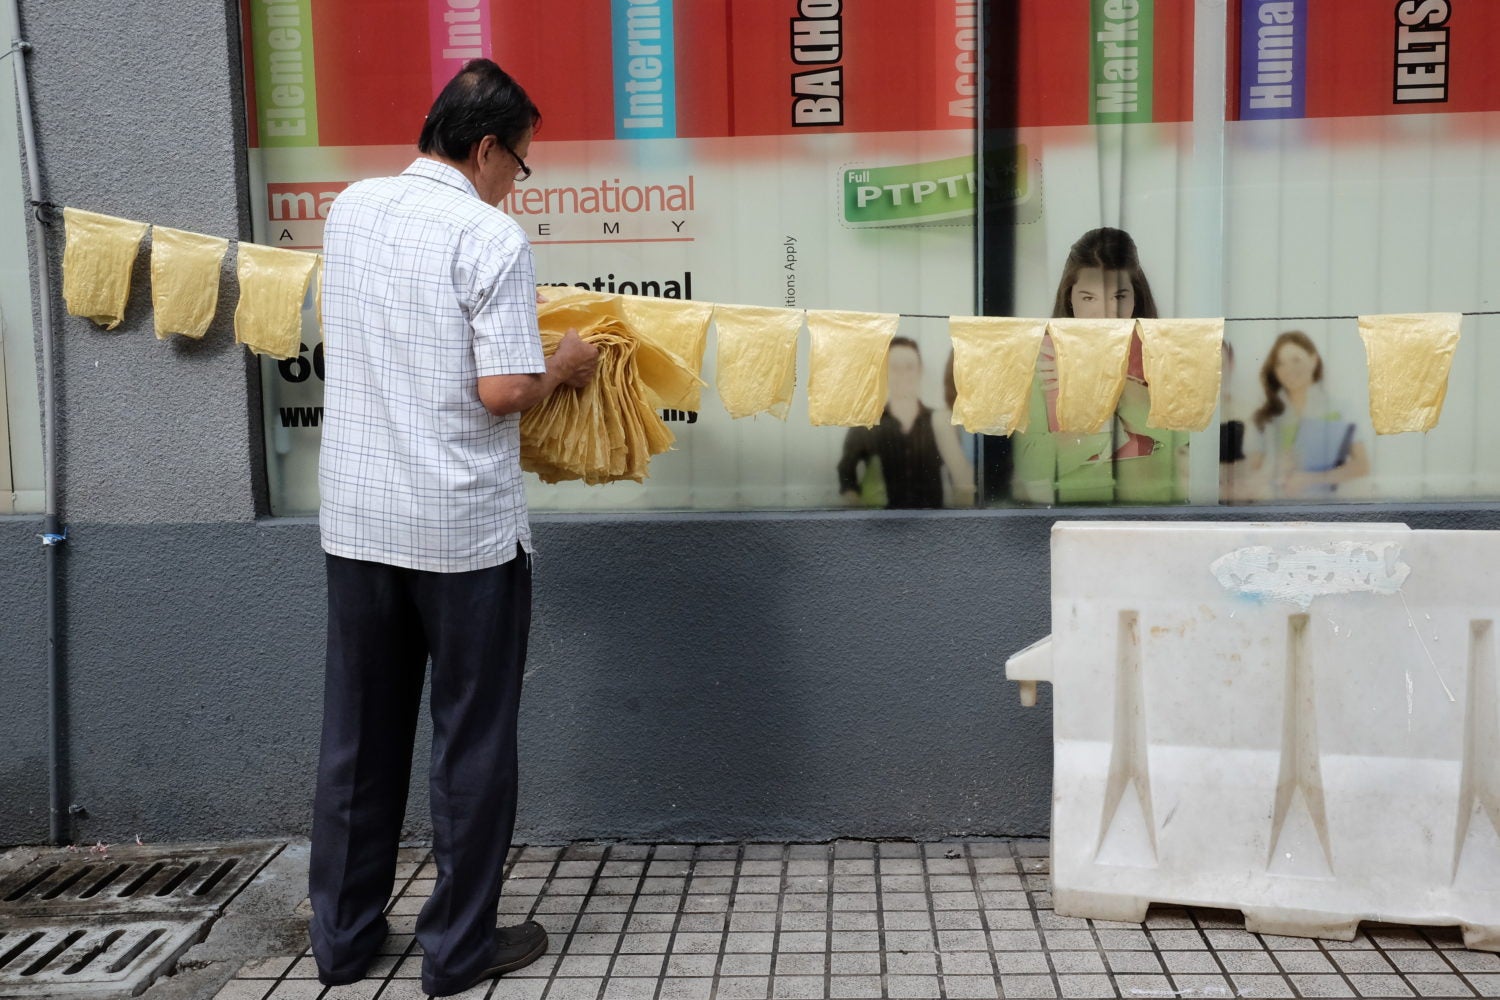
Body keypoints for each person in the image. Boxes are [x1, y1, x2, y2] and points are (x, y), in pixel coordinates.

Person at [311, 60, 598, 998]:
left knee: (358, 738)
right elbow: (502, 389)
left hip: (359, 522)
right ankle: (458, 951)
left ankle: (342, 942)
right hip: (460, 534)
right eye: (521, 162)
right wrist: (564, 365)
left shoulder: (351, 208)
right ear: (484, 149)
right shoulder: (490, 236)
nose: (518, 181)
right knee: (470, 742)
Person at [1011, 227, 1187, 504]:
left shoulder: (1166, 353)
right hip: (1072, 512)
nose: (1105, 312)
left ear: (1136, 296)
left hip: (1155, 510)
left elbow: (1187, 443)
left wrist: (1105, 381)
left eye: (1119, 297)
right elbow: (1031, 465)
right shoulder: (1043, 357)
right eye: (1088, 297)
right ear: (1069, 298)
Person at [836, 337, 976, 508]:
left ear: (920, 370)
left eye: (909, 367)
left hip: (932, 521)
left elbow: (961, 481)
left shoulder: (940, 423)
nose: (902, 374)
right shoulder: (867, 424)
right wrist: (860, 515)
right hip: (882, 522)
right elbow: (846, 476)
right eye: (894, 367)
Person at [1244, 330, 1369, 499]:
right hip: (1275, 506)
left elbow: (1362, 466)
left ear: (1313, 360)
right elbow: (1251, 476)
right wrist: (1275, 466)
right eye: (1280, 363)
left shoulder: (1341, 410)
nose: (1288, 369)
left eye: (1296, 360)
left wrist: (1310, 479)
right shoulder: (1264, 418)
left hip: (1326, 507)